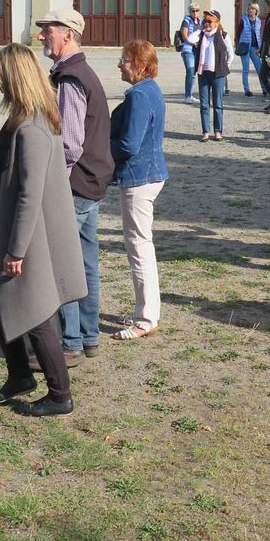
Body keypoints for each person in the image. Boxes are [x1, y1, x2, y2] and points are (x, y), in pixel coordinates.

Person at [0, 43, 86, 415]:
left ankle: (60, 395)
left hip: (28, 238)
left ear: (14, 79)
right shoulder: (26, 119)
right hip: (14, 230)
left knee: (35, 314)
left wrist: (16, 250)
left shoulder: (32, 128)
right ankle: (21, 375)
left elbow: (30, 194)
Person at [35, 10, 113, 365]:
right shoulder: (79, 72)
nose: (41, 36)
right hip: (90, 180)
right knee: (84, 263)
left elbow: (69, 144)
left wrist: (53, 183)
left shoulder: (70, 78)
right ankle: (88, 335)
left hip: (75, 183)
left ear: (68, 34)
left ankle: (71, 343)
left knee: (63, 265)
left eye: (47, 30)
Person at [110, 40, 169, 339]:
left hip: (139, 178)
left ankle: (146, 319)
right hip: (148, 174)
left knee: (139, 247)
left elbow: (128, 145)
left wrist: (96, 150)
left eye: (125, 60)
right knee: (142, 245)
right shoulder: (149, 90)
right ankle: (146, 311)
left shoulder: (140, 95)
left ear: (141, 66)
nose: (120, 65)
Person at [186, 8, 230, 141]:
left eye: (210, 21)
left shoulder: (223, 35)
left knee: (218, 104)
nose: (207, 24)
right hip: (203, 73)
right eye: (205, 21)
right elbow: (189, 38)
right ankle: (205, 132)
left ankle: (218, 131)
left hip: (218, 74)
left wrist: (224, 66)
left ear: (217, 22)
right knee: (204, 104)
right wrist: (201, 29)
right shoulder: (201, 35)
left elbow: (231, 54)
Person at [235, 2, 265, 96]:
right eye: (249, 9)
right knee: (246, 69)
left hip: (255, 48)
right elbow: (238, 33)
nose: (250, 10)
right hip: (245, 47)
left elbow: (259, 34)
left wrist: (261, 47)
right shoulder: (243, 20)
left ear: (256, 11)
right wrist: (238, 45)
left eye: (252, 9)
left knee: (259, 69)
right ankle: (247, 90)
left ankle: (264, 88)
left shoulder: (259, 21)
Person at [179, 3, 201, 103]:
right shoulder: (186, 21)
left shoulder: (201, 21)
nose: (195, 13)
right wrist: (193, 43)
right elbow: (184, 36)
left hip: (197, 50)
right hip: (188, 50)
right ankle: (187, 96)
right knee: (190, 71)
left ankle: (190, 95)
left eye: (197, 10)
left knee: (194, 73)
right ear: (190, 12)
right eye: (193, 11)